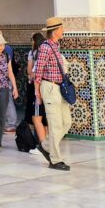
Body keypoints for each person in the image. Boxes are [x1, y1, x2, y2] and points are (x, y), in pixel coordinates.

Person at [34, 17, 71, 170]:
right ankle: (55, 160)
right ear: (55, 31)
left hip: (59, 88)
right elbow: (38, 70)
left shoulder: (56, 45)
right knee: (55, 125)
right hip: (49, 88)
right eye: (61, 28)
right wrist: (37, 93)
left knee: (66, 122)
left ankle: (45, 145)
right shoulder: (45, 47)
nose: (63, 31)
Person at [26, 32, 48, 146]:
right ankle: (47, 140)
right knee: (45, 116)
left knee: (36, 116)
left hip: (37, 87)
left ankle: (42, 144)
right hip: (49, 89)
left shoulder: (33, 53)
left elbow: (30, 71)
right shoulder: (52, 52)